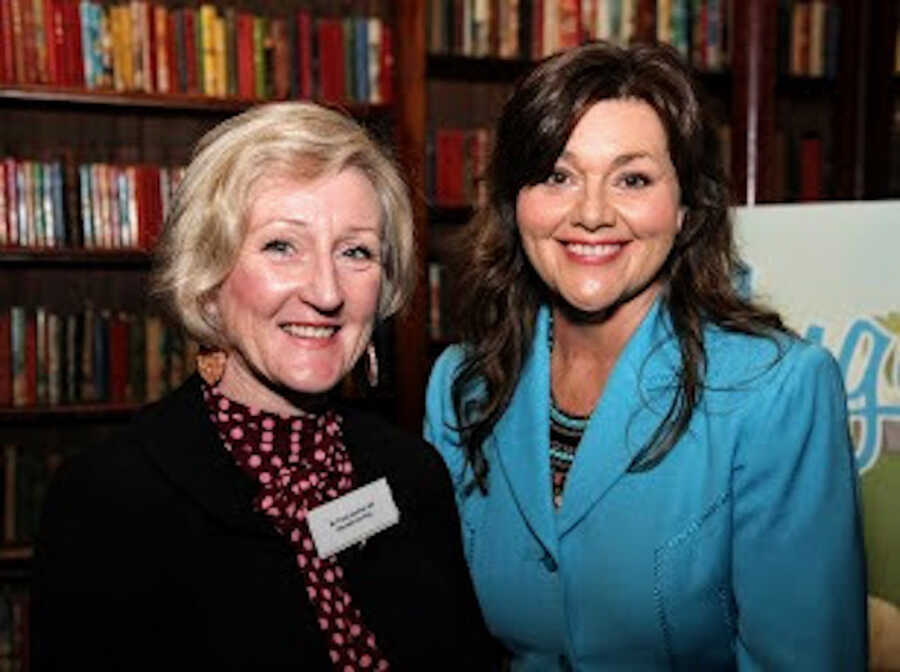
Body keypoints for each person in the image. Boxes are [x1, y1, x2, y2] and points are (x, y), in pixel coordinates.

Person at [425, 41, 867, 670]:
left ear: (686, 209)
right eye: (557, 175)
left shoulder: (778, 391)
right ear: (513, 201)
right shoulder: (460, 388)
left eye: (632, 179)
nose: (592, 214)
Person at [32, 102, 496, 671]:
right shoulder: (109, 501)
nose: (326, 292)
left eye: (355, 251)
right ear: (207, 278)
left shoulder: (412, 477)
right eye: (282, 245)